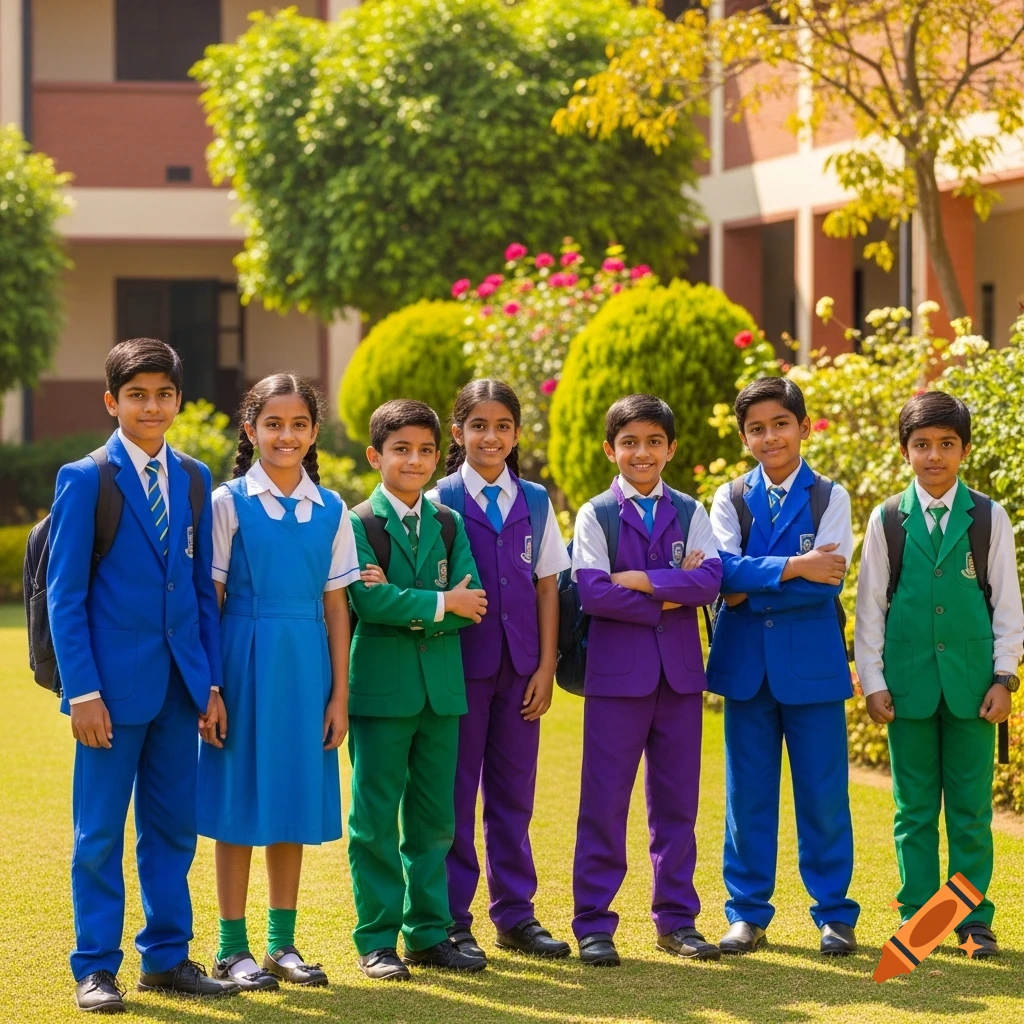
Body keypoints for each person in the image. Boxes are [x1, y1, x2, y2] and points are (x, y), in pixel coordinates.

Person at [48, 337, 238, 1013]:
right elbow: (64, 596)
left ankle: (166, 957)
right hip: (109, 694)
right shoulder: (86, 478)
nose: (151, 405)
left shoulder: (192, 477)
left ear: (178, 401)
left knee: (172, 830)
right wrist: (84, 693)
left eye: (163, 394)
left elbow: (196, 588)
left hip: (179, 690)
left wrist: (210, 683)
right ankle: (96, 967)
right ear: (112, 402)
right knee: (97, 834)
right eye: (136, 394)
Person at [196, 374, 357, 991]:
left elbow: (338, 607)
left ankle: (280, 944)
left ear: (314, 432)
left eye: (297, 425)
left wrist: (339, 695)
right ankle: (229, 947)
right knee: (240, 800)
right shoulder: (226, 502)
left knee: (288, 800)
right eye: (273, 424)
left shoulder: (333, 510)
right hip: (241, 659)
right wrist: (211, 687)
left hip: (306, 664)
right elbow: (208, 601)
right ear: (251, 429)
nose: (285, 436)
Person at [855, 390, 1023, 958]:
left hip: (976, 688)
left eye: (946, 445)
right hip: (907, 689)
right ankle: (920, 921)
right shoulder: (887, 520)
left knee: (972, 809)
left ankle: (972, 920)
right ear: (905, 451)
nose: (934, 456)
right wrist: (873, 682)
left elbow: (1007, 605)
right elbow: (870, 605)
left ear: (964, 450)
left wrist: (1005, 678)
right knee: (914, 810)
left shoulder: (988, 517)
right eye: (922, 444)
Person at [707, 376, 858, 957]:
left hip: (813, 667)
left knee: (823, 793)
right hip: (746, 667)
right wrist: (797, 566)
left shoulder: (829, 496)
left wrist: (753, 581)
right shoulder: (730, 498)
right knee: (747, 795)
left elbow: (829, 584)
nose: (770, 437)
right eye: (757, 429)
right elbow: (722, 574)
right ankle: (747, 913)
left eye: (780, 424)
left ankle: (835, 914)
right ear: (745, 437)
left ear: (803, 427)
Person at [570, 393, 723, 967]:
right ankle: (593, 922)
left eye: (654, 441)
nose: (642, 452)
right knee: (603, 803)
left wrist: (635, 580)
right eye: (630, 442)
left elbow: (710, 581)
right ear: (611, 449)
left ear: (671, 448)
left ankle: (677, 921)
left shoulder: (691, 510)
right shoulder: (595, 514)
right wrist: (666, 596)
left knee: (678, 806)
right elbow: (591, 591)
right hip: (616, 679)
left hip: (680, 679)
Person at [428, 379, 571, 962]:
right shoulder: (438, 499)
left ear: (516, 433)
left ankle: (515, 915)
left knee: (514, 797)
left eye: (503, 426)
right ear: (457, 433)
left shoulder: (535, 501)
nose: (492, 437)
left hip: (520, 671)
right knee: (455, 798)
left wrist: (545, 664)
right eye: (479, 426)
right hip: (457, 668)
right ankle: (452, 918)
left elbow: (547, 586)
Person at [347, 399, 488, 981]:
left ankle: (429, 933)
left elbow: (473, 601)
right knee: (375, 820)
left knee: (434, 820)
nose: (415, 460)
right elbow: (365, 600)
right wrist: (439, 602)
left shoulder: (449, 523)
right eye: (401, 449)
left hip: (441, 692)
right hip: (380, 692)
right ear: (375, 455)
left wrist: (417, 604)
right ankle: (377, 938)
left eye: (426, 450)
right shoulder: (357, 523)